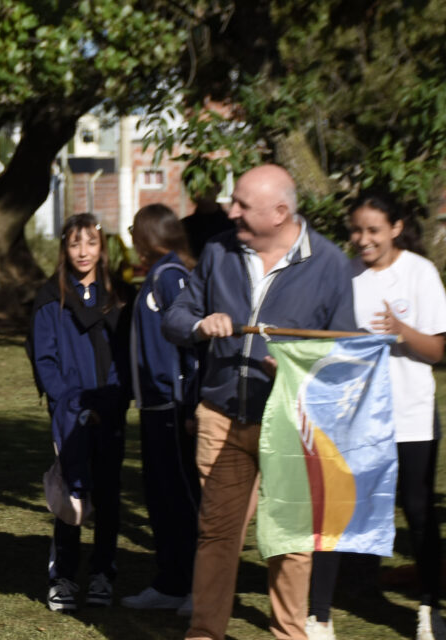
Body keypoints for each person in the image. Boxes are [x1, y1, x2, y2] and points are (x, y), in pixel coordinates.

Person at [163, 164, 357, 640]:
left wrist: (302, 370)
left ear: (280, 212)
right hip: (221, 415)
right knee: (217, 533)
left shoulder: (330, 264)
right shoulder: (218, 251)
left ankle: (289, 632)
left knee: (290, 542)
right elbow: (175, 317)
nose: (231, 212)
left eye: (243, 206)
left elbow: (346, 354)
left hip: (291, 423)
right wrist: (198, 324)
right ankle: (205, 631)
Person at [306, 193, 446, 640]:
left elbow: (437, 350)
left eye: (372, 230)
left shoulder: (420, 273)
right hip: (356, 416)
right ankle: (319, 615)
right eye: (356, 230)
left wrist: (401, 331)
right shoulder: (344, 274)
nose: (362, 239)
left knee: (417, 510)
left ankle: (429, 609)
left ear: (395, 228)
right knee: (339, 508)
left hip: (410, 417)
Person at [29, 213, 128, 612]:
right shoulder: (51, 298)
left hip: (110, 409)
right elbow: (45, 360)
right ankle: (64, 577)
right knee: (70, 492)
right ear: (64, 248)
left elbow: (126, 357)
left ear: (102, 246)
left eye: (90, 242)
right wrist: (72, 405)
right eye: (74, 243)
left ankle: (103, 571)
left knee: (107, 495)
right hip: (70, 413)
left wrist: (111, 402)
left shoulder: (118, 296)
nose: (83, 252)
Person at [121, 204, 200, 611]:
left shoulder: (171, 277)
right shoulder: (153, 275)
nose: (131, 236)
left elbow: (190, 341)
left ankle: (197, 587)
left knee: (180, 496)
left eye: (135, 229)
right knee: (159, 496)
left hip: (172, 404)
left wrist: (189, 405)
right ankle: (170, 582)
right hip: (153, 405)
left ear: (151, 234)